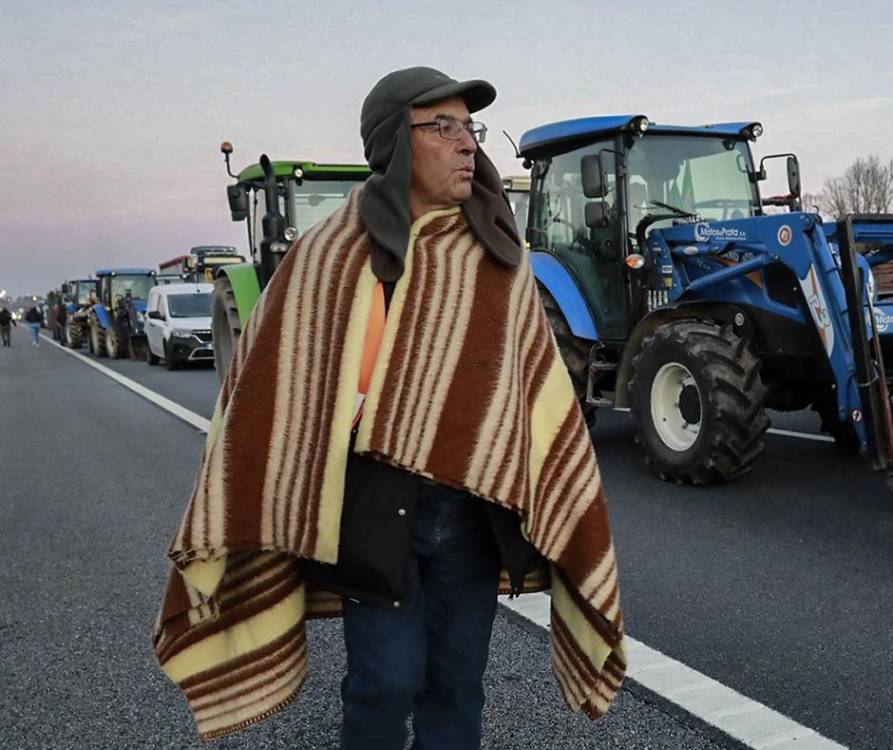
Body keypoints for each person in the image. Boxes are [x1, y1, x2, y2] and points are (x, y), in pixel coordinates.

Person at [154, 67, 626, 748]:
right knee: (384, 684)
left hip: (470, 509)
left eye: (471, 128)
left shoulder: (497, 254)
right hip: (373, 505)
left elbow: (532, 392)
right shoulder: (327, 255)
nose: (468, 144)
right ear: (395, 144)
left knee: (458, 685)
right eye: (444, 127)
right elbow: (269, 388)